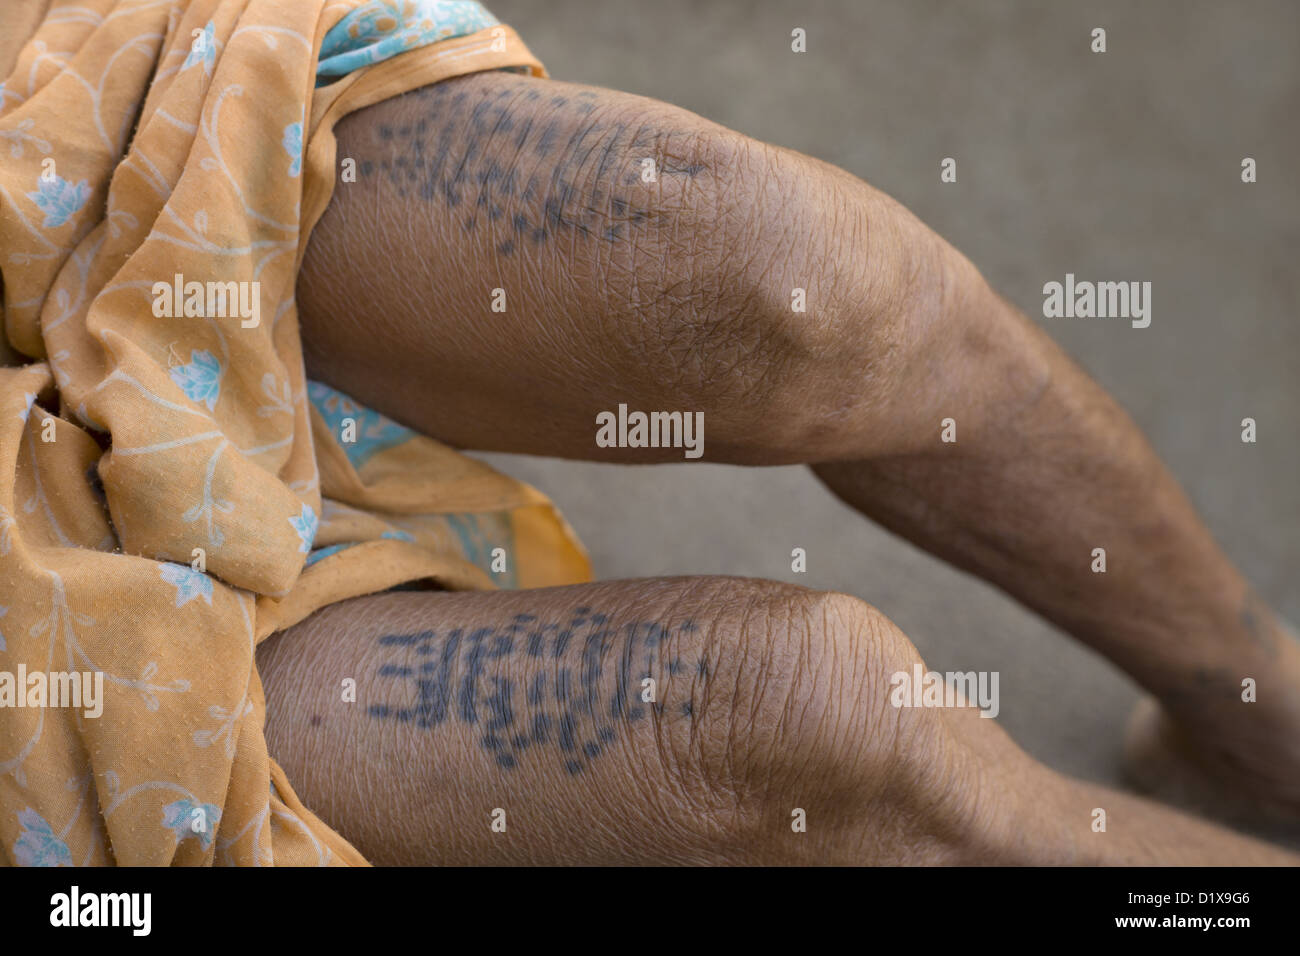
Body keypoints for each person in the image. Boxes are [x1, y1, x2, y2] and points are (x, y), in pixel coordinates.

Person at [257, 67, 1300, 865]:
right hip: (100, 606)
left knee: (775, 268)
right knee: (774, 718)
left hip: (103, 153)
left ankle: (1254, 699)